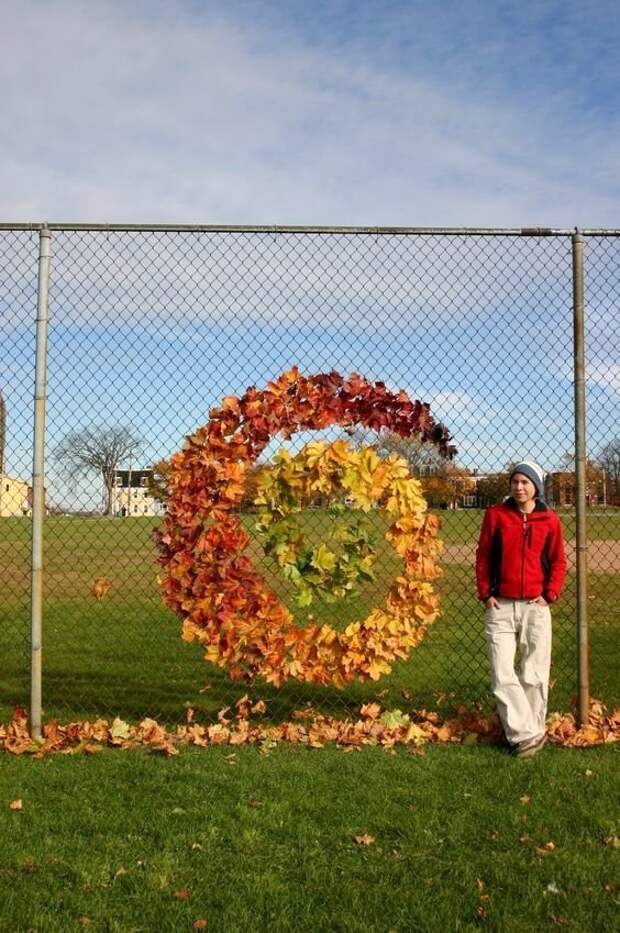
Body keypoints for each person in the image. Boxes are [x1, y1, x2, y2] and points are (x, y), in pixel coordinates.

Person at [476, 461, 567, 758]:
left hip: (535, 606)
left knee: (534, 673)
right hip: (500, 605)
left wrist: (550, 594)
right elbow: (484, 555)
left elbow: (558, 561)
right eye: (515, 481)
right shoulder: (496, 516)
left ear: (536, 487)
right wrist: (486, 593)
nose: (519, 487)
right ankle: (527, 734)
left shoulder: (550, 520)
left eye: (525, 482)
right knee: (502, 671)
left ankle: (527, 733)